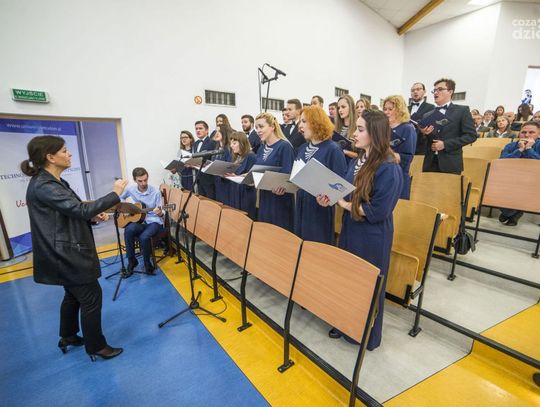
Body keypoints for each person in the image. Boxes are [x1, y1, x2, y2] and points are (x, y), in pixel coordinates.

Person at [22, 135, 127, 361]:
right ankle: (97, 346)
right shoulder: (45, 185)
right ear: (50, 157)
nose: (69, 154)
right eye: (64, 151)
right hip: (65, 254)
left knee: (72, 294)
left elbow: (73, 211)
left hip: (62, 251)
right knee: (91, 296)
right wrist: (115, 194)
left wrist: (92, 216)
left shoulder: (54, 182)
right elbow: (80, 210)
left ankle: (68, 335)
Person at [329, 111, 403, 351]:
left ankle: (366, 334)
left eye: (360, 130)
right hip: (352, 227)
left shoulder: (389, 167)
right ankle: (348, 326)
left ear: (375, 134)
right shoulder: (358, 160)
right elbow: (344, 189)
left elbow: (379, 210)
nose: (354, 133)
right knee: (349, 279)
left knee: (367, 284)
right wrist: (329, 195)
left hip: (372, 235)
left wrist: (344, 205)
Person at [294, 106, 347, 244]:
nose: (300, 126)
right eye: (300, 122)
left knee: (316, 246)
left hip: (320, 208)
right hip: (301, 203)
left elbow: (340, 185)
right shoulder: (302, 148)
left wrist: (329, 197)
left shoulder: (333, 149)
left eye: (304, 121)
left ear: (316, 122)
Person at [420, 78, 477, 174]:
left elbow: (471, 136)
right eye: (434, 90)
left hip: (450, 162)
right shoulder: (427, 115)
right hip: (430, 162)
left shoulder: (462, 111)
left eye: (440, 89)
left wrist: (445, 144)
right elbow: (424, 142)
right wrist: (424, 134)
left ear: (450, 92)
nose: (435, 93)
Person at [255, 112, 295, 231]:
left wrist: (282, 186)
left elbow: (288, 174)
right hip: (265, 196)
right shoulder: (261, 148)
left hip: (280, 200)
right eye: (256, 128)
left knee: (278, 234)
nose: (258, 130)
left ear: (272, 127)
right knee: (265, 231)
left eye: (261, 127)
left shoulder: (284, 146)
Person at [121, 167, 165, 275]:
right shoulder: (131, 189)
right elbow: (120, 198)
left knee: (144, 237)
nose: (143, 183)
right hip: (141, 221)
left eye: (145, 180)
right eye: (140, 181)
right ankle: (132, 261)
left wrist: (159, 212)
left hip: (155, 221)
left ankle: (147, 264)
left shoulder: (155, 192)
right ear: (135, 180)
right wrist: (126, 209)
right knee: (128, 229)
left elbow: (162, 212)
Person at [498, 121, 540, 226]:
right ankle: (512, 212)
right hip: (510, 179)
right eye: (523, 132)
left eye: (531, 132)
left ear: (538, 134)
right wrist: (519, 150)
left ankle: (512, 212)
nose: (526, 135)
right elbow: (502, 161)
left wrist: (529, 149)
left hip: (534, 181)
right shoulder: (510, 145)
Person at [384, 95, 417, 199]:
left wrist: (384, 151)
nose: (386, 112)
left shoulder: (408, 128)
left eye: (390, 109)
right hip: (383, 174)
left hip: (399, 176)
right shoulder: (384, 128)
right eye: (385, 109)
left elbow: (407, 159)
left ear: (399, 110)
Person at [227, 131, 257, 219]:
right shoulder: (236, 157)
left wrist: (237, 177)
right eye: (231, 143)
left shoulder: (251, 156)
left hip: (245, 194)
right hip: (235, 191)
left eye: (234, 143)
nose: (231, 146)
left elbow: (252, 177)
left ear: (242, 143)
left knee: (245, 219)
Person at [408, 82, 435, 155]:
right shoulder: (405, 108)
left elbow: (432, 128)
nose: (415, 92)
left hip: (422, 146)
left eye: (418, 89)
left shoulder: (431, 107)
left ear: (424, 91)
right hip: (406, 145)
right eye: (413, 90)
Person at [193, 120, 217, 198]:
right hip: (198, 178)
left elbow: (214, 160)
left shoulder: (212, 142)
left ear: (207, 130)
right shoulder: (195, 144)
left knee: (210, 202)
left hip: (209, 179)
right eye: (196, 129)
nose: (198, 130)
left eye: (200, 128)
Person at [212, 124, 233, 205]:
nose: (216, 133)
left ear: (224, 133)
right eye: (216, 131)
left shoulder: (229, 149)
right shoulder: (217, 148)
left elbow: (230, 165)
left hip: (226, 183)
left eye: (219, 131)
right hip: (217, 182)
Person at [334, 94, 358, 160]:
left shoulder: (358, 129)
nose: (340, 110)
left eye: (343, 107)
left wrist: (345, 152)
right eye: (338, 108)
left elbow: (361, 155)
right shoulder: (335, 128)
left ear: (351, 108)